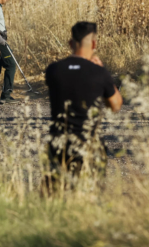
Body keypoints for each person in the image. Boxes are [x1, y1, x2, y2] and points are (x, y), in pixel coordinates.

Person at [44, 22, 123, 190]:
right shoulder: (99, 73)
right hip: (89, 144)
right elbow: (116, 105)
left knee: (54, 195)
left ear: (71, 43)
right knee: (90, 195)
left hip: (59, 142)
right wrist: (103, 72)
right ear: (94, 44)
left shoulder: (53, 70)